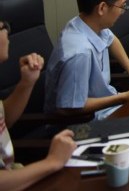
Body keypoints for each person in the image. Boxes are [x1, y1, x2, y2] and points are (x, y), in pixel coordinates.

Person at [44, 0, 129, 118]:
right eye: (121, 7)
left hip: (109, 106)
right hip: (87, 122)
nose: (123, 12)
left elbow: (111, 40)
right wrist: (123, 97)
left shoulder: (87, 23)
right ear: (102, 8)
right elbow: (69, 108)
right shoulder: (79, 53)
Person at [0, 19, 78, 189]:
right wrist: (52, 162)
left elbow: (5, 120)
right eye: (2, 27)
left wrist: (26, 82)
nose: (7, 32)